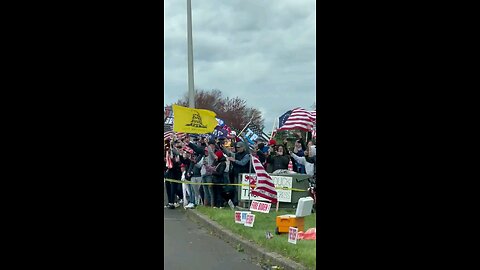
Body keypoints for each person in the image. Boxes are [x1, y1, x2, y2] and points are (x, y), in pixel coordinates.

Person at [221, 141, 251, 206]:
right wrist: (223, 148)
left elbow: (243, 163)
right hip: (235, 174)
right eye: (237, 147)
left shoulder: (246, 155)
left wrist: (234, 160)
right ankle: (236, 202)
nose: (238, 149)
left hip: (244, 176)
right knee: (236, 189)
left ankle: (241, 203)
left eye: (239, 147)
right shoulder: (236, 154)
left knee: (241, 190)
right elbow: (229, 154)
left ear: (243, 147)